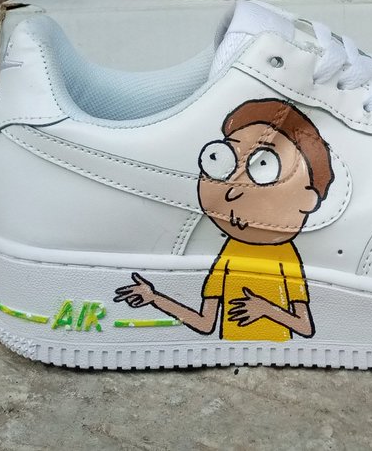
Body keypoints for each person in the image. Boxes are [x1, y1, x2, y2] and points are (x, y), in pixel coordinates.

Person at [113, 99, 333, 342]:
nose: (233, 191)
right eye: (219, 160)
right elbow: (205, 322)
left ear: (309, 199)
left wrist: (264, 308)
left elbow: (304, 326)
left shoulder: (283, 255)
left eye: (264, 165)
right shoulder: (231, 253)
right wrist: (154, 297)